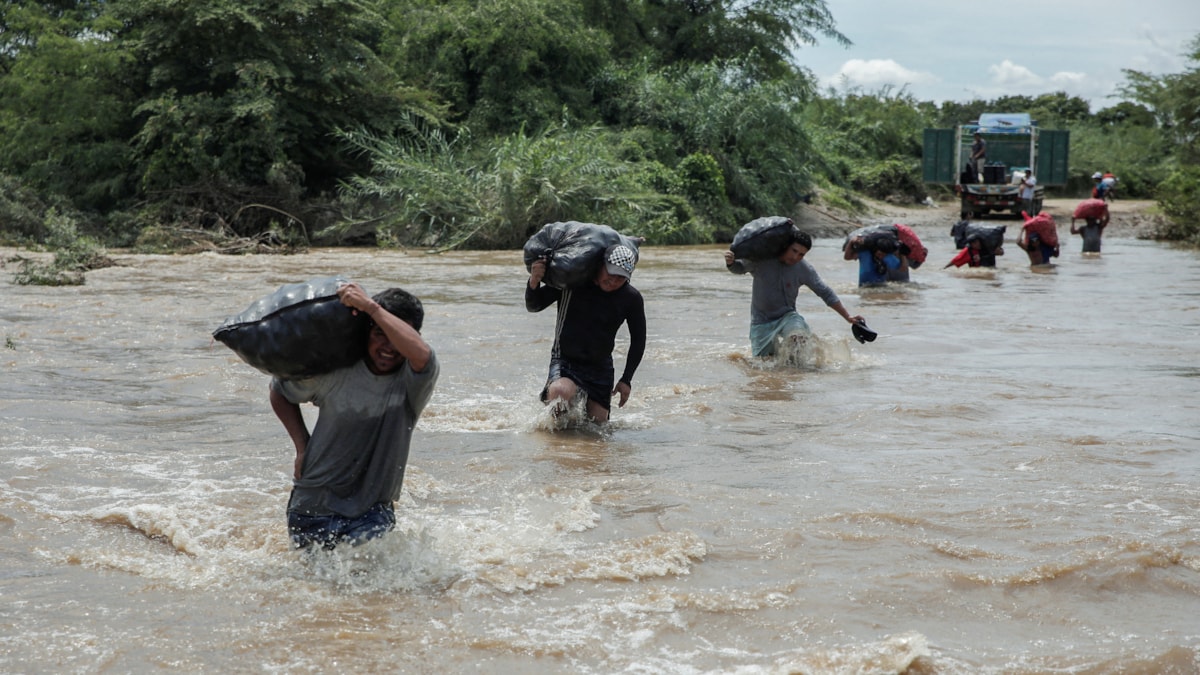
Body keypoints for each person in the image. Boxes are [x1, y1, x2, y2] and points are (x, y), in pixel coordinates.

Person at [270, 282, 439, 551]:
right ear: (366, 332)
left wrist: (370, 307)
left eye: (395, 336)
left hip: (372, 512)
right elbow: (279, 391)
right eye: (378, 334)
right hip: (312, 506)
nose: (388, 346)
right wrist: (302, 446)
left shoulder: (413, 382)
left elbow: (422, 354)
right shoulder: (336, 371)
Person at [525, 244, 646, 423]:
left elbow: (638, 340)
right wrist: (534, 280)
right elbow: (534, 306)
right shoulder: (572, 282)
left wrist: (626, 379)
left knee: (597, 428)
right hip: (566, 360)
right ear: (600, 265)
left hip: (600, 367)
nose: (613, 281)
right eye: (611, 274)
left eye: (620, 278)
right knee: (560, 394)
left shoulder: (631, 298)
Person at [724, 228, 865, 358]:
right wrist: (731, 263)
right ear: (786, 246)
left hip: (788, 316)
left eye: (801, 254)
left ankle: (795, 376)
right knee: (764, 364)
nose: (795, 257)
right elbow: (739, 268)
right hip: (761, 321)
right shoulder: (762, 260)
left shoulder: (803, 269)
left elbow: (825, 292)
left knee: (798, 338)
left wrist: (848, 317)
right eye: (794, 251)